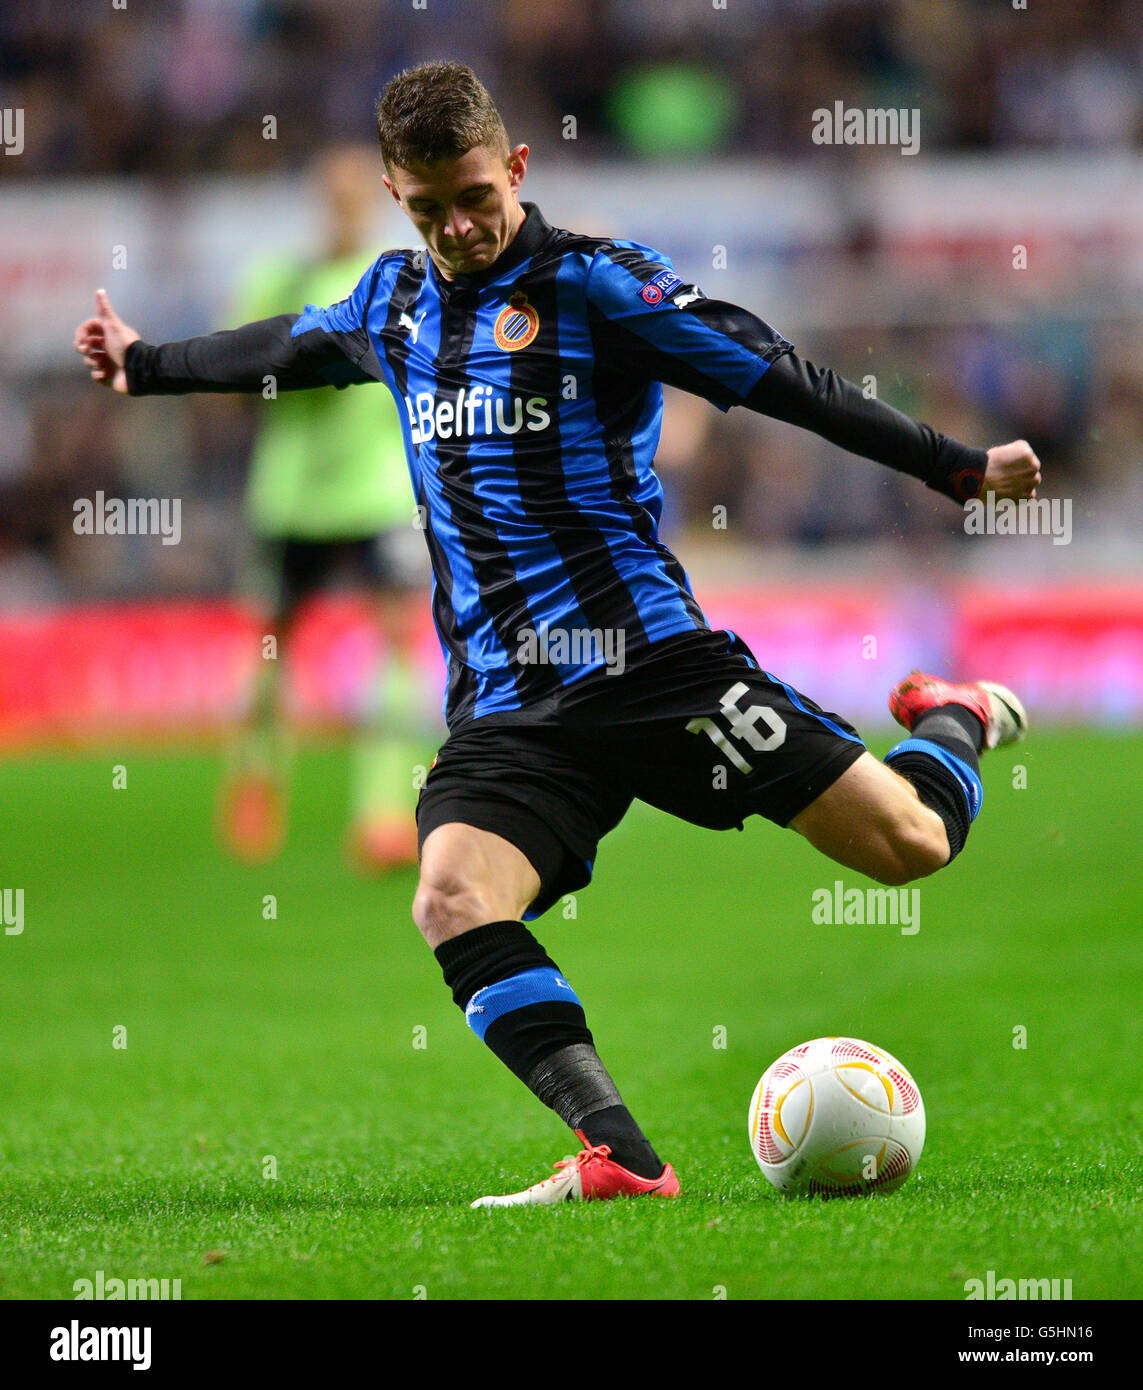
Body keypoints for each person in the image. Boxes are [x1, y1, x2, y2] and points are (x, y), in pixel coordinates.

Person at [75, 60, 1038, 1207]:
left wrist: (955, 464)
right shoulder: (391, 304)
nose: (461, 225)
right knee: (450, 897)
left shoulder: (600, 286)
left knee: (909, 846)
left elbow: (778, 378)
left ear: (517, 165)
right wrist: (145, 364)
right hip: (507, 700)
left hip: (649, 663)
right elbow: (286, 347)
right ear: (396, 193)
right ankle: (625, 1158)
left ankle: (957, 717)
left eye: (477, 195)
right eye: (429, 207)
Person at [217, 142, 433, 870]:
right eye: (332, 193)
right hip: (291, 495)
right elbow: (232, 364)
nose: (344, 205)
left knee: (399, 637)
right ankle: (258, 772)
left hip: (377, 492)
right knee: (271, 644)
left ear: (374, 198)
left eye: (356, 193)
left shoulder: (399, 280)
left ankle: (380, 811)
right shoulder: (281, 278)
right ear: (320, 198)